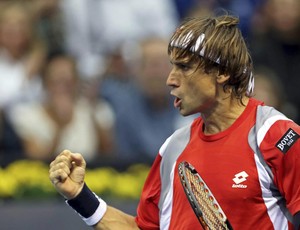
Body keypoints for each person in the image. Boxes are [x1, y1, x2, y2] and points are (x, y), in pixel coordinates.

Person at [49, 13, 300, 229]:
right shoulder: (173, 149)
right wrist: (80, 196)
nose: (170, 79)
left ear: (222, 72)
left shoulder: (276, 135)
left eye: (184, 67)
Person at [9, 54, 115, 164]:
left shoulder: (95, 110)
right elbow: (36, 163)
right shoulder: (27, 115)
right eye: (56, 82)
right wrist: (59, 128)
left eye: (68, 82)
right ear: (45, 83)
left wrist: (94, 117)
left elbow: (109, 156)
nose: (62, 88)